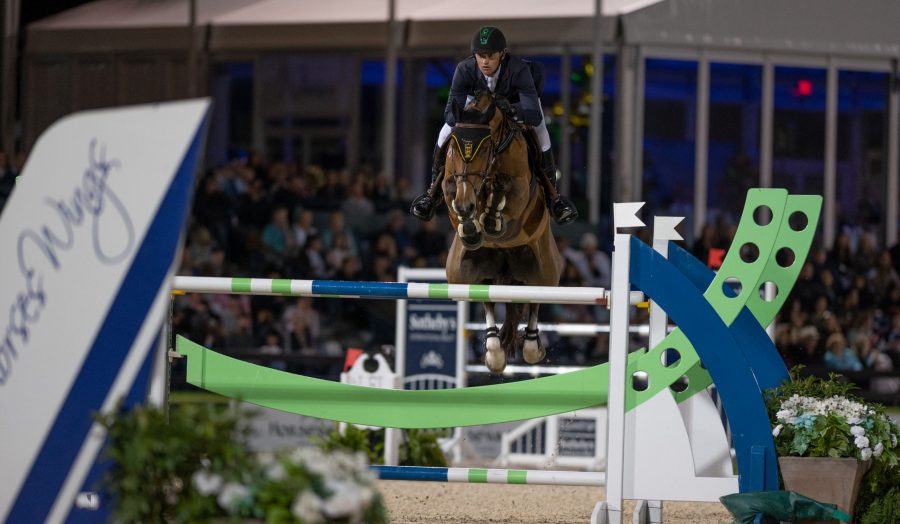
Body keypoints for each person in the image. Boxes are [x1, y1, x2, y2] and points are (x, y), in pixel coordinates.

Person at [409, 26, 578, 225]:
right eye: (480, 56)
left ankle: (554, 198)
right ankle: (432, 192)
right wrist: (469, 115)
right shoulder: (464, 69)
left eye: (490, 55)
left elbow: (532, 114)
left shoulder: (519, 69)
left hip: (516, 105)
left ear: (502, 54)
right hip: (476, 107)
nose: (485, 61)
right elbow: (450, 114)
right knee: (444, 133)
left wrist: (511, 110)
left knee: (542, 135)